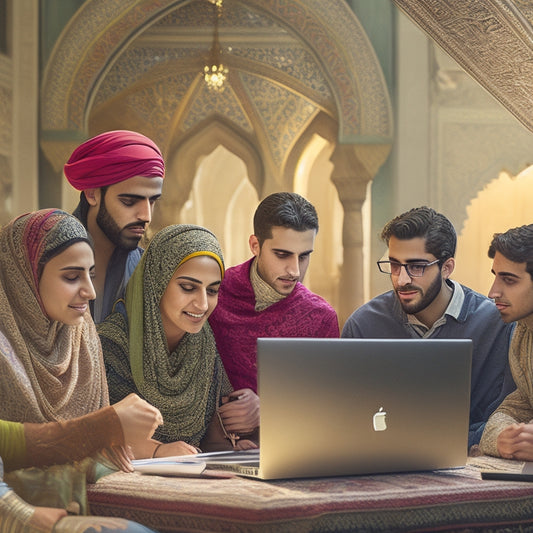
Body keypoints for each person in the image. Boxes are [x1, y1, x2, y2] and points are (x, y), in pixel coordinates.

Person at [0, 208, 162, 532]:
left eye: (91, 274)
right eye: (72, 277)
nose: (90, 292)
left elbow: (99, 455)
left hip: (69, 502)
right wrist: (102, 427)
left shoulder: (80, 334)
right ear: (24, 278)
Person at [341, 206, 515, 450]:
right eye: (394, 265)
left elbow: (508, 416)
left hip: (472, 466)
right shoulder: (363, 324)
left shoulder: (498, 324)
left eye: (416, 266)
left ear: (447, 267)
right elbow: (346, 418)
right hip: (380, 460)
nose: (402, 279)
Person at [98, 224, 259, 458]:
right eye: (188, 287)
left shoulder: (204, 346)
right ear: (157, 282)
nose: (203, 304)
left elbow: (209, 439)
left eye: (212, 291)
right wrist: (157, 451)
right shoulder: (108, 347)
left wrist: (229, 449)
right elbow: (90, 437)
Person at [208, 192, 340, 394]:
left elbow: (327, 400)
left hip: (288, 426)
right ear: (255, 245)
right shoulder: (214, 293)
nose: (295, 270)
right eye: (282, 255)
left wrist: (264, 410)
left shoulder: (321, 317)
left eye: (304, 256)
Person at [64, 129, 165, 323]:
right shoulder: (46, 259)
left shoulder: (146, 271)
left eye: (152, 201)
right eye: (129, 201)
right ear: (92, 194)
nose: (146, 216)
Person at [479, 224, 533, 461]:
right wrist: (503, 438)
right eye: (496, 277)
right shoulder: (523, 334)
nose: (493, 292)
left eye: (509, 280)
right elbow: (512, 409)